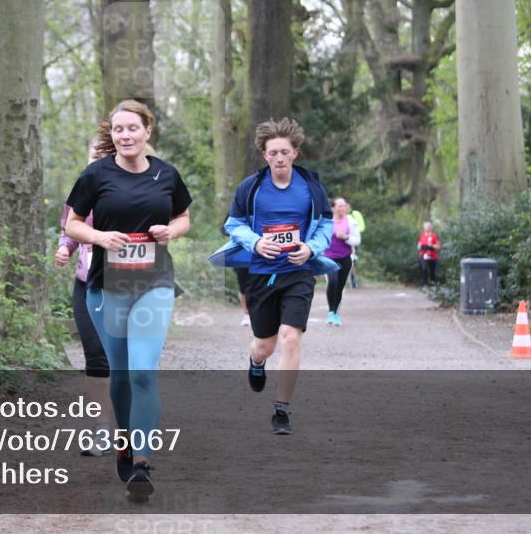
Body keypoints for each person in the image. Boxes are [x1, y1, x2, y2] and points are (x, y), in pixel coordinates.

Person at [64, 100, 192, 501]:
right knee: (119, 375)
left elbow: (184, 217)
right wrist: (100, 237)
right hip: (107, 286)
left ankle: (142, 461)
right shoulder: (95, 175)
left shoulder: (165, 174)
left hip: (155, 283)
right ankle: (123, 437)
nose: (125, 135)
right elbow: (71, 223)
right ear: (112, 134)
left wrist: (172, 231)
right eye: (118, 129)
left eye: (132, 128)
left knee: (143, 372)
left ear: (147, 131)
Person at [209, 117, 338, 435]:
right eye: (273, 152)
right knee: (264, 346)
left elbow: (325, 224)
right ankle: (256, 361)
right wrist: (256, 242)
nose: (279, 157)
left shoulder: (310, 186)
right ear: (264, 155)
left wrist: (310, 248)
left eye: (285, 151)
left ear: (295, 152)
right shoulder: (250, 188)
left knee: (291, 337)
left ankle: (282, 409)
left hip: (298, 272)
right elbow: (233, 223)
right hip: (260, 274)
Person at [54, 143, 114, 456]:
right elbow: (69, 228)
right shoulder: (82, 192)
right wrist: (65, 247)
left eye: (102, 158)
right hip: (87, 284)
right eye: (92, 156)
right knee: (95, 358)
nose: (95, 163)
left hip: (125, 286)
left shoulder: (131, 194)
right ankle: (102, 431)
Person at [322, 197, 361, 326]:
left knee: (340, 286)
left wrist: (346, 237)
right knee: (332, 282)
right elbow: (320, 238)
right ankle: (330, 311)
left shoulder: (351, 222)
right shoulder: (327, 221)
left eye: (344, 206)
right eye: (339, 206)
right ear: (333, 208)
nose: (342, 208)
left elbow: (357, 240)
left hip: (345, 258)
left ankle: (335, 312)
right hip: (329, 257)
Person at [417, 221, 441, 286]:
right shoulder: (422, 235)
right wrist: (419, 246)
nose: (427, 228)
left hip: (432, 256)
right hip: (423, 255)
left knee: (432, 272)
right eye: (425, 227)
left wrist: (431, 245)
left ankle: (433, 285)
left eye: (428, 226)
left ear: (431, 227)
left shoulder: (434, 236)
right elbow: (419, 245)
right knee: (424, 268)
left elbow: (438, 246)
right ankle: (425, 285)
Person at [348, 207, 366, 289]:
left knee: (352, 261)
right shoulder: (337, 215)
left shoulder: (355, 214)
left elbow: (362, 227)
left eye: (345, 205)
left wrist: (352, 233)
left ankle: (353, 279)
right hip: (339, 241)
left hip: (351, 241)